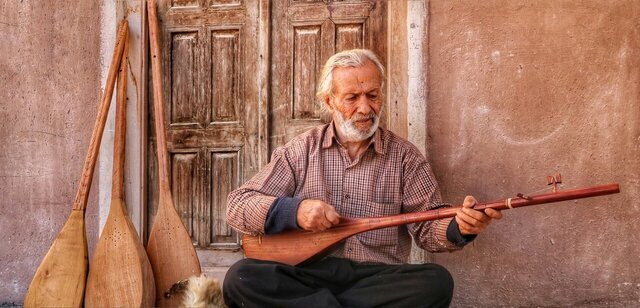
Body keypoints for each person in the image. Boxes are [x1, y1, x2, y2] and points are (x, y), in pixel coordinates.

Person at [223, 49, 502, 307]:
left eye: (372, 95)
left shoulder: (405, 157)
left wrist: (460, 228)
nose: (365, 108)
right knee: (240, 277)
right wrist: (295, 211)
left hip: (376, 279)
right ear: (329, 102)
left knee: (437, 282)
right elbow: (238, 205)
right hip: (306, 275)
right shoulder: (301, 150)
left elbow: (428, 229)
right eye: (352, 98)